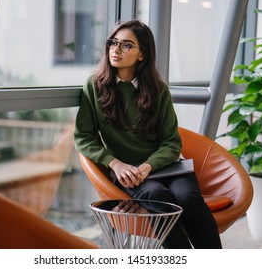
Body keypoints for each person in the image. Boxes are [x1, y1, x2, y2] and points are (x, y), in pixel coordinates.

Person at [74, 19, 222, 249]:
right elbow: (83, 136)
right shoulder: (94, 86)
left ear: (141, 54)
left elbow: (172, 142)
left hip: (166, 166)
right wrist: (114, 164)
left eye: (126, 45)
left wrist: (147, 166)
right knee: (158, 196)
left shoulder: (157, 89)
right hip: (129, 172)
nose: (116, 49)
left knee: (187, 198)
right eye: (113, 42)